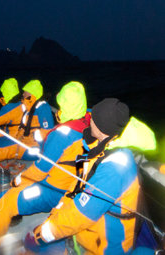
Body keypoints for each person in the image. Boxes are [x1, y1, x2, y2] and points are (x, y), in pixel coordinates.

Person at [24, 98, 157, 254]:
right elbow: (79, 186)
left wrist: (39, 236)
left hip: (103, 247)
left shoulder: (114, 169)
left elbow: (79, 216)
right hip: (91, 234)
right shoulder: (103, 148)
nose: (89, 120)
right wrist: (56, 214)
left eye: (92, 118)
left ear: (101, 128)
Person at [0, 81, 91, 246]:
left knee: (4, 201)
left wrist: (18, 180)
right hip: (73, 188)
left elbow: (39, 170)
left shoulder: (61, 135)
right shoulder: (88, 126)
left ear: (66, 107)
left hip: (53, 191)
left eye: (61, 105)